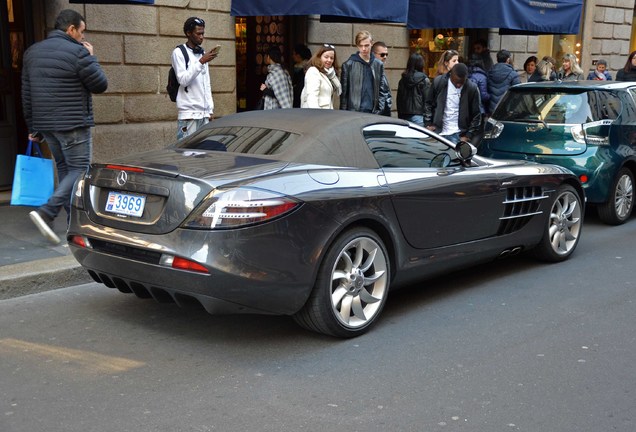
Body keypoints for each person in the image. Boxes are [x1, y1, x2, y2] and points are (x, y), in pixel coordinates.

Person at [22, 9, 108, 245]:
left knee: (65, 172)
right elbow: (100, 85)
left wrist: (33, 127)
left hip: (46, 126)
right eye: (81, 32)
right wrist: (91, 57)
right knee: (79, 171)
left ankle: (73, 221)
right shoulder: (79, 53)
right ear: (71, 29)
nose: (83, 37)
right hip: (72, 125)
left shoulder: (32, 52)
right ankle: (46, 212)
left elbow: (26, 93)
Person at [172, 17, 217, 140]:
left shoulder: (202, 53)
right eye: (198, 33)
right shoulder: (179, 52)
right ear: (188, 33)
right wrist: (201, 62)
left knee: (203, 154)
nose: (201, 37)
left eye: (203, 33)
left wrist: (210, 110)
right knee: (187, 154)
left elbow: (206, 83)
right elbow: (183, 80)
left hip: (204, 115)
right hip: (189, 115)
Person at [424, 63, 481, 144]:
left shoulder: (472, 88)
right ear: (451, 75)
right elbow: (428, 103)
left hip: (459, 135)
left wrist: (468, 135)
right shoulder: (439, 82)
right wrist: (428, 124)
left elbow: (476, 115)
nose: (458, 85)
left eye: (462, 82)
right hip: (437, 132)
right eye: (456, 82)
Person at [340, 30, 387, 114]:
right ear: (357, 46)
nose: (364, 49)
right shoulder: (348, 65)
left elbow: (382, 90)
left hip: (373, 112)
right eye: (360, 46)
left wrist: (379, 110)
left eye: (366, 45)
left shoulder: (378, 64)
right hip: (354, 112)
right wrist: (344, 114)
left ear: (372, 43)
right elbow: (344, 95)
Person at [300, 43, 341, 109]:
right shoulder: (313, 71)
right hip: (317, 115)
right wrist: (317, 116)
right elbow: (312, 97)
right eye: (326, 57)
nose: (329, 60)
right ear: (319, 57)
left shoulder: (329, 74)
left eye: (332, 58)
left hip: (326, 114)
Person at [396, 53, 430, 126]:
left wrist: (400, 115)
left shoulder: (402, 80)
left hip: (404, 116)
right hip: (419, 116)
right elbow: (427, 100)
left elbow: (399, 100)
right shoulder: (424, 80)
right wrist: (428, 119)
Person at [487, 49, 520, 113]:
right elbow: (518, 93)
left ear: (497, 59)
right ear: (508, 60)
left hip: (491, 109)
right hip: (506, 109)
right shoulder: (513, 74)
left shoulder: (490, 72)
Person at [373, 41, 392, 116]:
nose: (385, 57)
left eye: (386, 54)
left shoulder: (381, 71)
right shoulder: (372, 71)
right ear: (373, 54)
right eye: (382, 54)